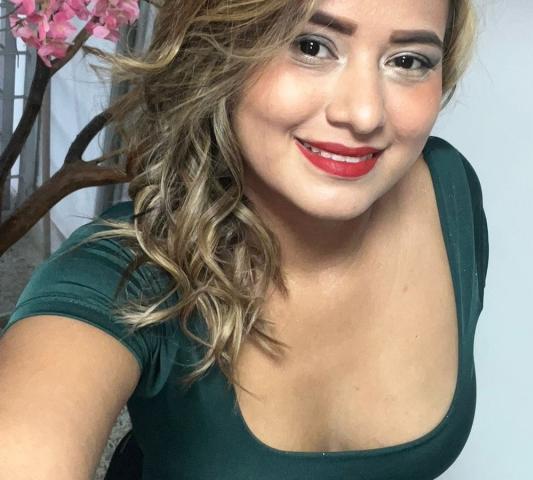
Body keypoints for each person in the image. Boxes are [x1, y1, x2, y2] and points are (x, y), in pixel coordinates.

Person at [0, 0, 488, 478]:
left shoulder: (447, 192)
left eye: (408, 61)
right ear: (219, 50)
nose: (363, 114)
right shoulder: (123, 269)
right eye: (311, 46)